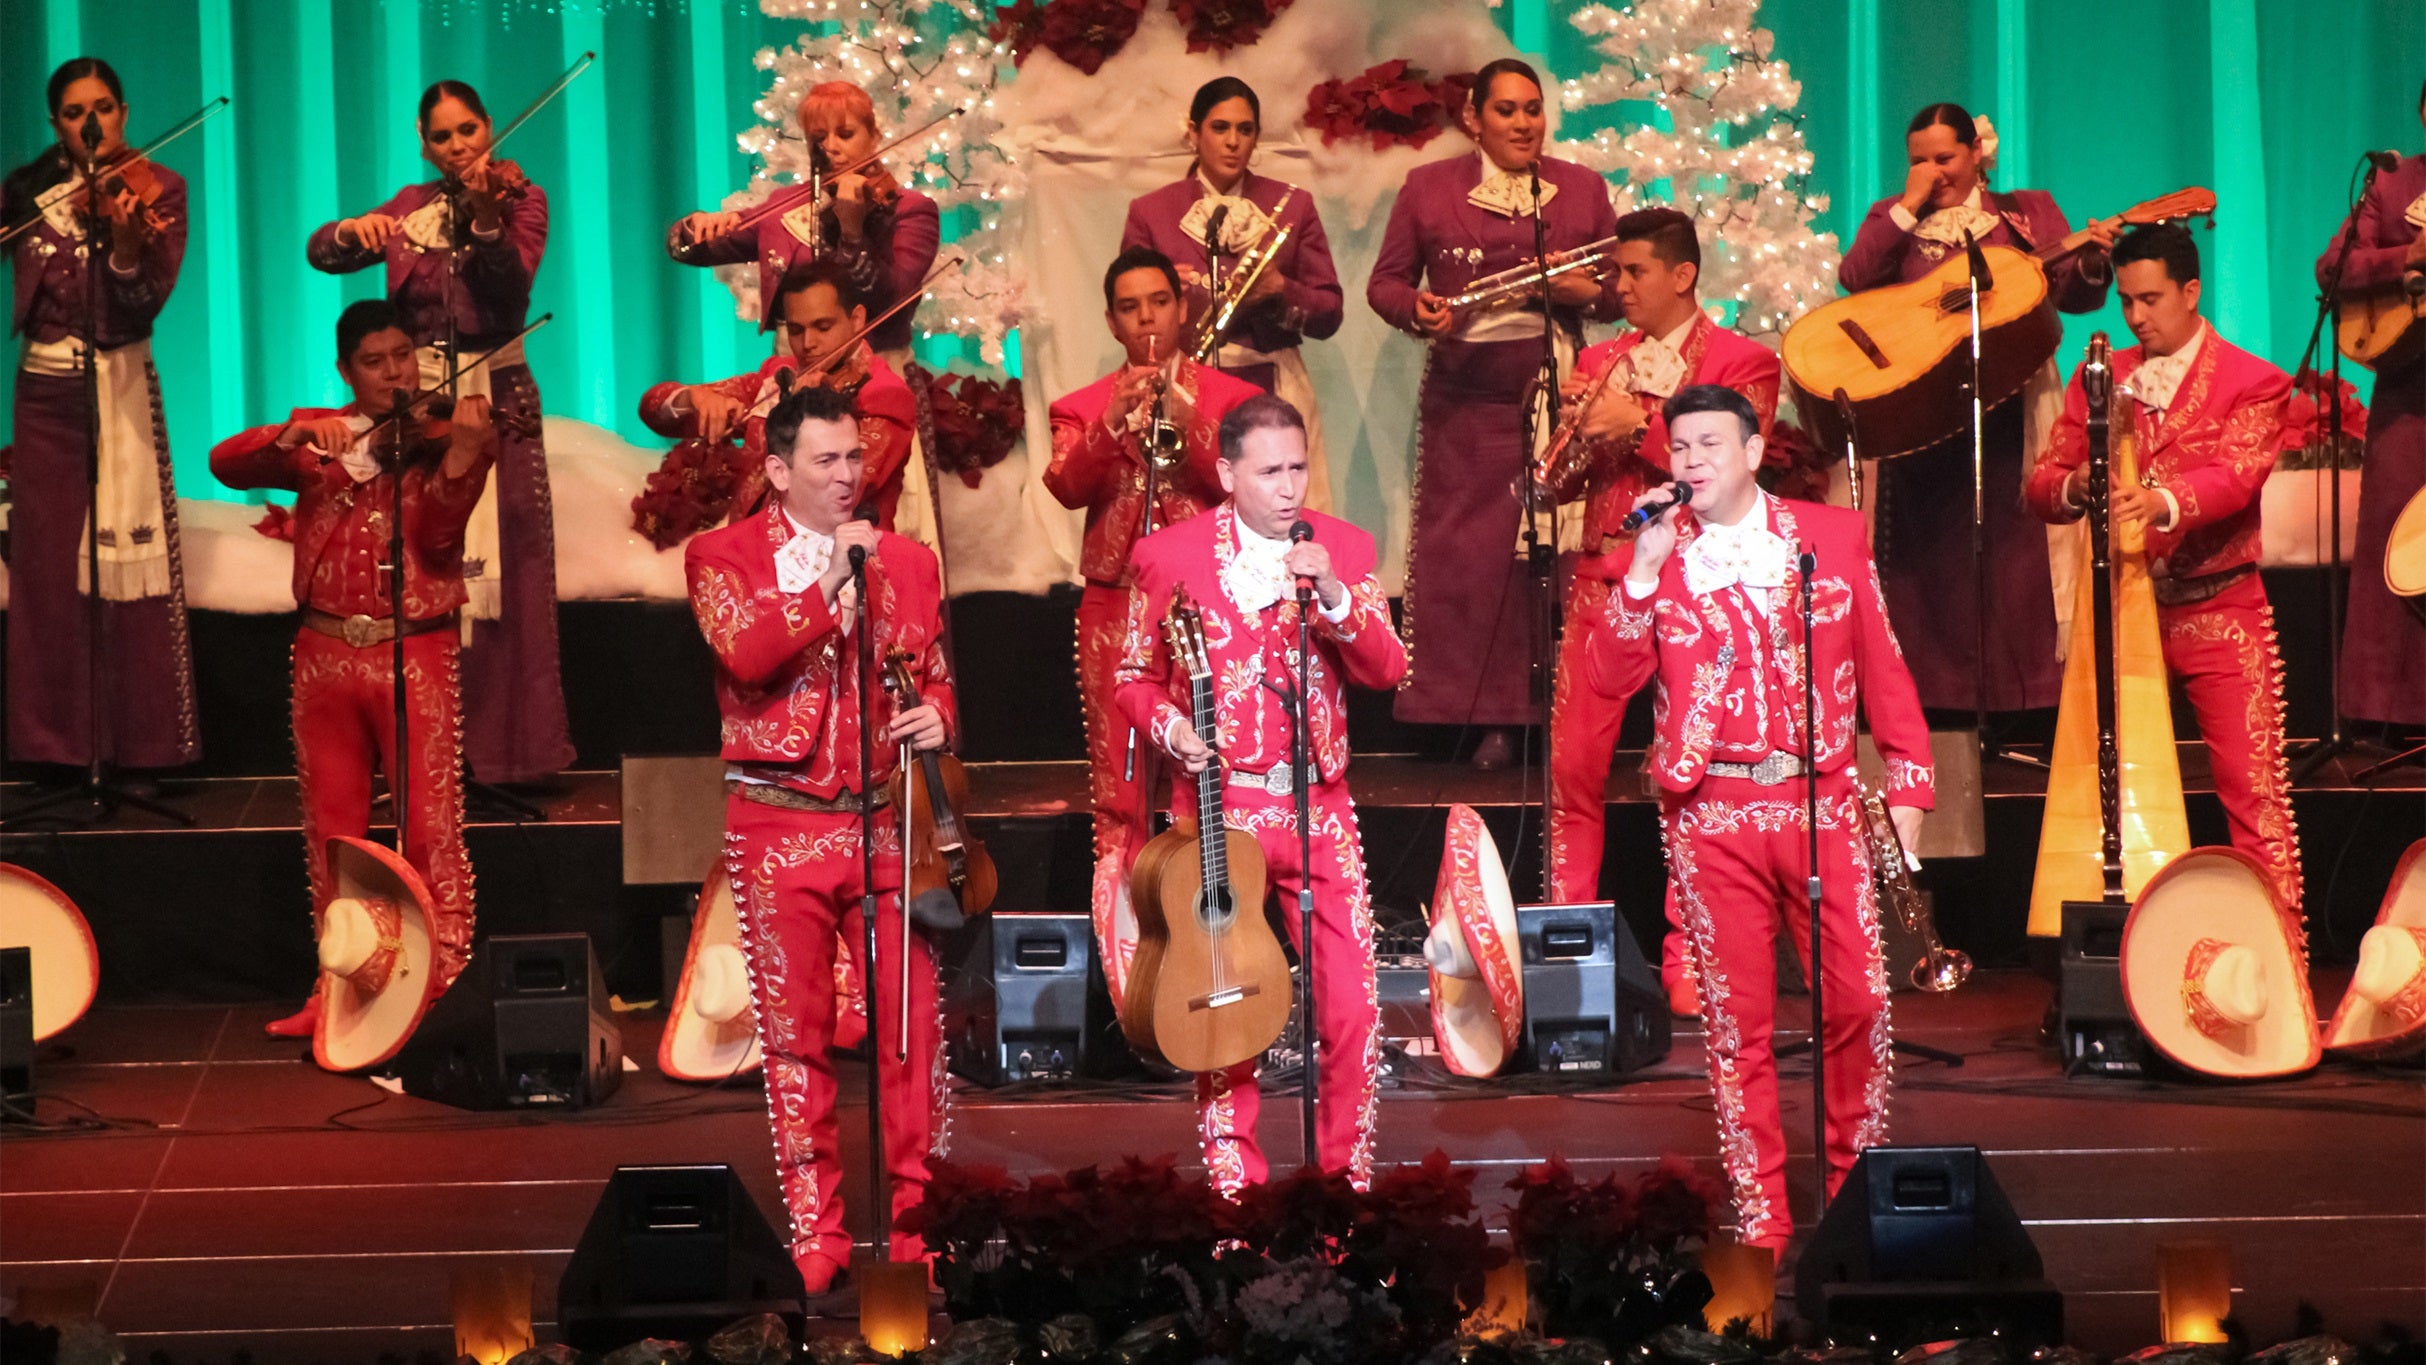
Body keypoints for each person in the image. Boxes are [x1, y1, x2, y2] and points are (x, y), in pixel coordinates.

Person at [1581, 384, 1933, 1251]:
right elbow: (1605, 680)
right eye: (1679, 448)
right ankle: (1763, 1217)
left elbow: (1884, 666)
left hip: (1822, 805)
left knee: (1856, 1002)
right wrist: (1641, 572)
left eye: (1709, 444)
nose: (1691, 461)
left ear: (1751, 448)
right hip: (1712, 812)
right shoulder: (1656, 555)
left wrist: (1912, 788)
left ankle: (1855, 1200)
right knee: (1737, 1021)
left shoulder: (1830, 537)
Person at [685, 382, 955, 1295]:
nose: (848, 477)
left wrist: (937, 718)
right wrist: (828, 578)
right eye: (826, 461)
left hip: (886, 819)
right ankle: (818, 1234)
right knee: (796, 1043)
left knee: (908, 1031)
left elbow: (940, 675)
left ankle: (920, 1228)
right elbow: (747, 652)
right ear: (777, 470)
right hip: (778, 824)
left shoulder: (909, 562)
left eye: (855, 458)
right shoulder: (720, 557)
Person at [1114, 394, 1407, 1192]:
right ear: (1227, 473)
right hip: (1219, 805)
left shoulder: (1340, 545)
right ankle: (1233, 1189)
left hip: (1318, 802)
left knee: (1352, 1009)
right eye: (1270, 471)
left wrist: (1339, 597)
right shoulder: (1170, 556)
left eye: (1299, 468)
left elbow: (1387, 668)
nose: (1288, 487)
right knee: (1222, 1004)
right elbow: (1132, 678)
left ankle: (1347, 1183)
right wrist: (1173, 728)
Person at [210, 300, 494, 1042]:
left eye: (404, 354)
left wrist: (464, 455)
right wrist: (293, 434)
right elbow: (226, 461)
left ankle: (447, 985)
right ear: (345, 370)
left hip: (416, 650)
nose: (396, 371)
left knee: (431, 827)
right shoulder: (317, 436)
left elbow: (435, 538)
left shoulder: (443, 436)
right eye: (376, 360)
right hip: (324, 653)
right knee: (332, 832)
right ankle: (341, 984)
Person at [1541, 207, 1780, 1016]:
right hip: (1604, 581)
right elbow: (1559, 482)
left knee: (1689, 774)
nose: (1620, 287)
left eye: (1634, 271)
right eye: (1615, 272)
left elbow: (1737, 470)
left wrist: (1640, 426)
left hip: (1697, 586)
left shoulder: (1746, 362)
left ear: (1681, 275)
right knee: (1573, 770)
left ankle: (1694, 959)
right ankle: (1565, 950)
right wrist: (1570, 435)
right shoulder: (1600, 357)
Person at [2027, 225, 2300, 916]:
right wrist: (2077, 487)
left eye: (2151, 299)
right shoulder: (2101, 376)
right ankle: (2118, 959)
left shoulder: (2254, 381)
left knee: (2256, 796)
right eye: (2126, 301)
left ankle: (2278, 962)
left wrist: (2159, 501)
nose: (2136, 317)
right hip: (2123, 608)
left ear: (2191, 290)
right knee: (2104, 793)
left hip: (2219, 607)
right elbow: (2041, 483)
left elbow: (2235, 479)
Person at [308, 80, 569, 786]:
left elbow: (507, 292)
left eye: (468, 131)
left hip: (497, 393)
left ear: (490, 129)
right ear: (425, 144)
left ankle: (506, 753)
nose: (458, 147)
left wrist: (485, 221)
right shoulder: (406, 208)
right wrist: (346, 234)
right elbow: (320, 253)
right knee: (423, 562)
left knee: (504, 568)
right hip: (419, 405)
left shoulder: (522, 199)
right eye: (443, 137)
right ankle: (425, 750)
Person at [1368, 57, 1621, 768]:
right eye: (1506, 110)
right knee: (1471, 559)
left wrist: (1583, 292)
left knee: (1553, 558)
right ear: (1473, 119)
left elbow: (1613, 290)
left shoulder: (1581, 189)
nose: (1523, 123)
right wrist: (1415, 310)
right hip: (1465, 396)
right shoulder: (1428, 188)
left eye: (1533, 109)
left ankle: (1552, 713)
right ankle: (1473, 716)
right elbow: (1387, 284)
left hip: (1556, 392)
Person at [1838, 101, 2117, 720]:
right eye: (1918, 161)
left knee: (2016, 555)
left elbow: (2072, 294)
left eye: (1945, 158)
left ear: (1975, 155)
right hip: (1924, 418)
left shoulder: (2024, 213)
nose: (1933, 172)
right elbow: (1856, 276)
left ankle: (2023, 705)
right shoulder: (1893, 217)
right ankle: (1936, 709)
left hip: (2012, 409)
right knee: (1927, 562)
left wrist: (2095, 260)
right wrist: (1908, 206)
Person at [1045, 246, 1262, 1014]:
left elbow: (1238, 476)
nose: (1146, 319)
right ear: (1112, 320)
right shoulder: (1079, 403)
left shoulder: (1233, 397)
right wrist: (1112, 422)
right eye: (1130, 307)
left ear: (1182, 309)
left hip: (1206, 599)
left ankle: (1215, 963)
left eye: (1159, 302)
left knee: (1212, 783)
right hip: (1115, 605)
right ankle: (1133, 983)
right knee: (1122, 793)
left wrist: (1187, 416)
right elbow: (1067, 485)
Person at [3, 57, 198, 779]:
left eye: (107, 107)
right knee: (48, 572)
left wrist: (122, 247)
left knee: (125, 566)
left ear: (124, 111)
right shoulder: (26, 192)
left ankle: (139, 743)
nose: (95, 122)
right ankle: (56, 747)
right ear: (57, 123)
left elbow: (144, 299)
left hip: (115, 386)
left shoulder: (159, 189)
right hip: (43, 399)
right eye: (78, 111)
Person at [1121, 77, 1344, 510]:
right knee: (1190, 513)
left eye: (1245, 130)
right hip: (1183, 386)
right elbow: (1127, 315)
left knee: (1282, 514)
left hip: (1275, 383)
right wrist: (1165, 297)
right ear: (1193, 132)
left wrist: (1283, 290)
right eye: (1220, 128)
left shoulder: (1293, 205)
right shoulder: (1150, 212)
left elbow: (1329, 313)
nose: (1233, 142)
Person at [637, 259, 917, 542]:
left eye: (823, 327)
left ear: (856, 320)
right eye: (796, 330)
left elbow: (827, 492)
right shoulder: (779, 374)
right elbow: (652, 408)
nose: (808, 343)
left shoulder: (885, 395)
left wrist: (794, 412)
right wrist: (693, 399)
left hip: (839, 566)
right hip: (753, 556)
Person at [670, 81, 940, 365]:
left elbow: (892, 298)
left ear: (873, 136)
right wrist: (696, 227)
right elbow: (689, 249)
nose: (831, 148)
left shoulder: (909, 210)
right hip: (795, 370)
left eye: (846, 134)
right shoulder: (785, 205)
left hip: (878, 369)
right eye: (819, 138)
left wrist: (852, 232)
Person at [2315, 81, 2426, 733]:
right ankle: (2393, 711)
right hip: (2411, 391)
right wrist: (2405, 257)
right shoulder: (2393, 184)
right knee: (2398, 543)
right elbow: (2332, 267)